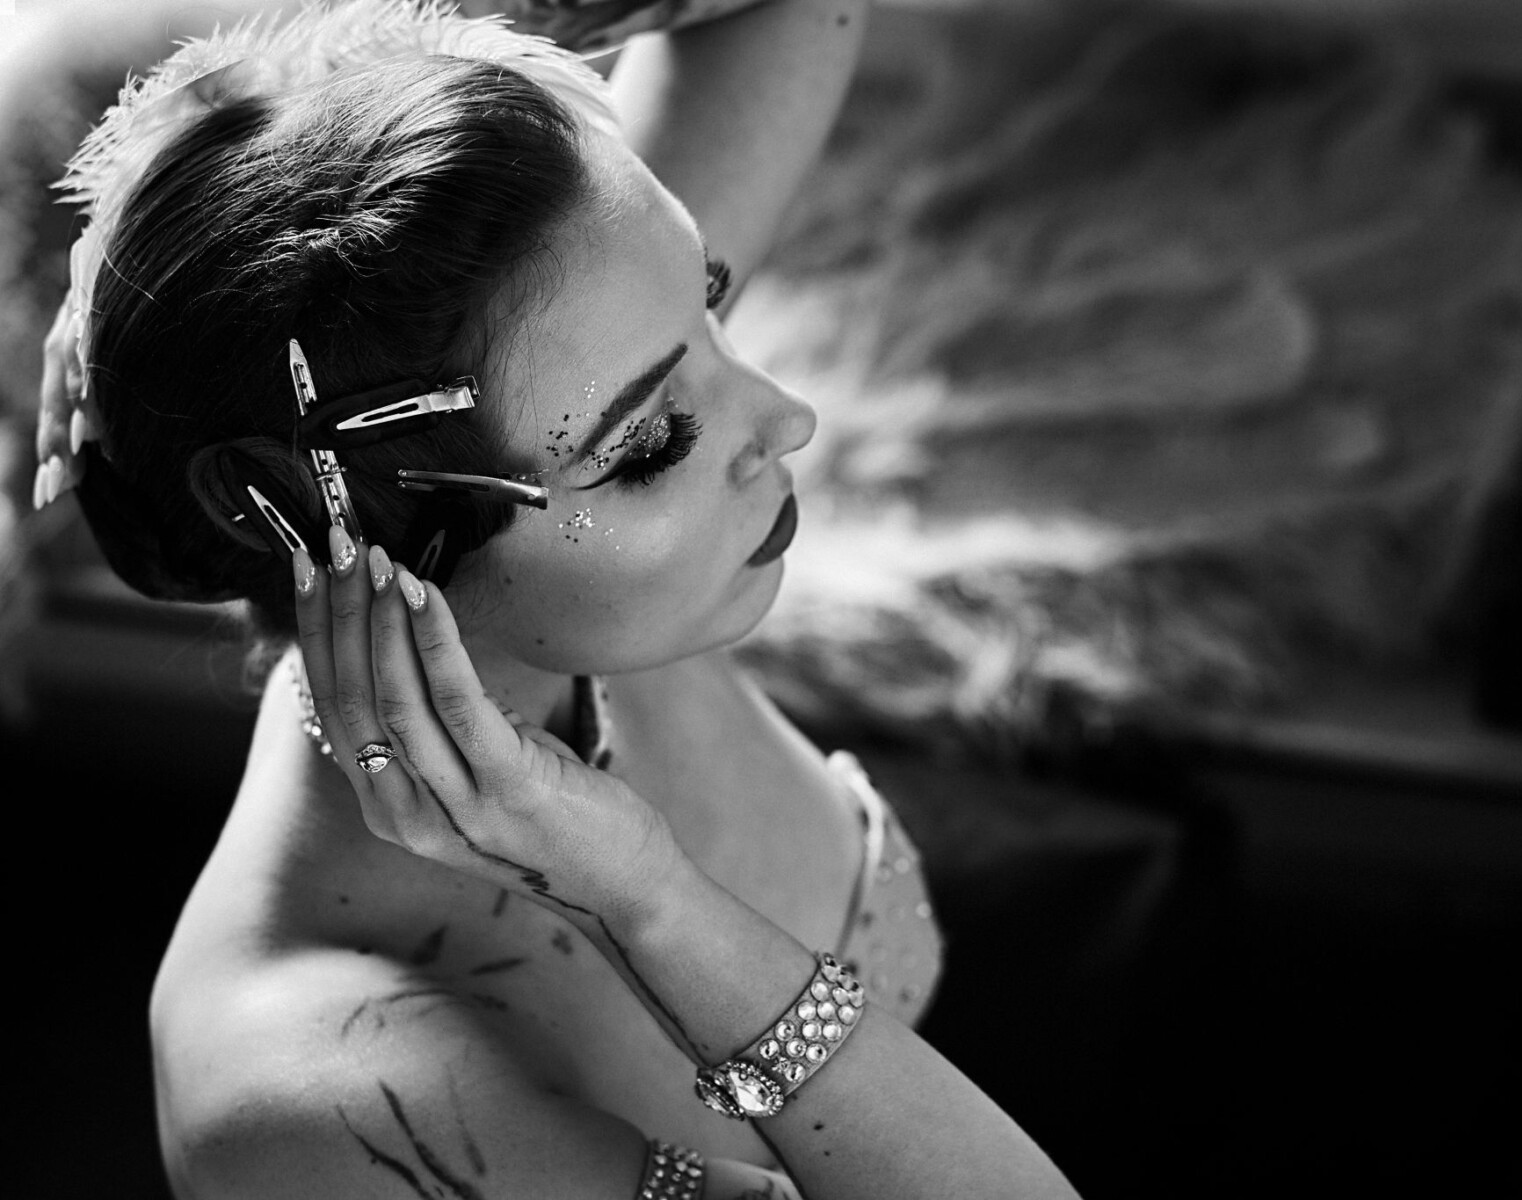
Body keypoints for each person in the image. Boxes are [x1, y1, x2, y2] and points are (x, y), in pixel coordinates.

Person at [31, 2, 1084, 1196]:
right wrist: (653, 903)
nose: (788, 419)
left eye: (710, 299)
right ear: (319, 511)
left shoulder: (567, 335)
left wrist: (378, 60)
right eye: (652, 445)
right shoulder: (322, 1093)